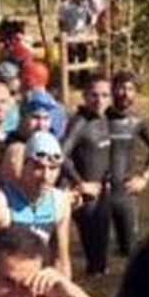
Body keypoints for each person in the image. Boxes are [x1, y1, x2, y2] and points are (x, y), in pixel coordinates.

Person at [0, 132, 72, 276]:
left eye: (53, 169)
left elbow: (61, 261)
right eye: (38, 167)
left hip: (32, 285)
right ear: (24, 165)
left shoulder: (60, 202)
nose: (46, 177)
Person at [62, 76, 115, 275]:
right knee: (95, 259)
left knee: (101, 259)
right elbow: (60, 155)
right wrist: (80, 183)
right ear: (84, 96)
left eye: (104, 95)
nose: (99, 100)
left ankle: (97, 292)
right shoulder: (80, 123)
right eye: (94, 95)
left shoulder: (104, 119)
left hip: (103, 194)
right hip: (87, 199)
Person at [104, 71, 149, 259]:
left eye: (130, 89)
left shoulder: (137, 122)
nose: (124, 93)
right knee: (99, 255)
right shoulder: (100, 119)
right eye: (120, 87)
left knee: (130, 252)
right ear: (112, 90)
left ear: (135, 93)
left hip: (125, 193)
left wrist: (144, 177)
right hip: (100, 194)